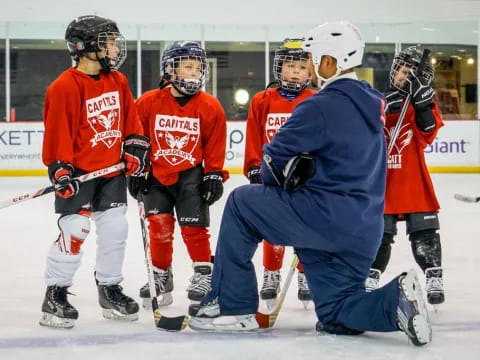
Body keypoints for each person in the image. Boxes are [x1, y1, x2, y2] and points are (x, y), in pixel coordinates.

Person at [189, 21, 432, 347]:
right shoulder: (373, 103)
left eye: (315, 58)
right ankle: (396, 302)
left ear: (331, 63)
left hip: (322, 216)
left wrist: (286, 184)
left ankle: (232, 308)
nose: (311, 67)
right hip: (363, 230)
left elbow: (272, 162)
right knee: (336, 312)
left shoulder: (319, 105)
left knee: (242, 203)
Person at [40, 15, 150, 329]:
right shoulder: (64, 87)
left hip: (111, 172)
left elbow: (131, 122)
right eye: (109, 41)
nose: (115, 48)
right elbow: (58, 132)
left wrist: (135, 146)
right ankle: (55, 293)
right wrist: (61, 170)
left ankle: (109, 289)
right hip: (80, 173)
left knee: (116, 229)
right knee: (75, 230)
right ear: (85, 46)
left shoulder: (118, 81)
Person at [129, 41, 229, 309]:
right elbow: (138, 139)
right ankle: (161, 275)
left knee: (194, 227)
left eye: (198, 67)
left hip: (191, 175)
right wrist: (137, 169)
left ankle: (203, 273)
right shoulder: (149, 101)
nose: (194, 72)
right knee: (159, 226)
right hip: (157, 176)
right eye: (187, 66)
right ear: (170, 70)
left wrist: (214, 174)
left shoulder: (210, 106)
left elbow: (215, 144)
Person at [365, 46, 445, 307]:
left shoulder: (424, 102)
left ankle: (433, 275)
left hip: (412, 181)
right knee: (379, 233)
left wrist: (421, 106)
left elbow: (428, 134)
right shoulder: (378, 100)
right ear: (394, 71)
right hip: (382, 183)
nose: (405, 76)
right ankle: (370, 275)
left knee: (425, 230)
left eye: (413, 73)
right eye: (402, 70)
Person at [243, 38, 316, 308]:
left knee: (306, 227)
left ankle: (305, 274)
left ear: (310, 72)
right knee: (273, 227)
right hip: (271, 173)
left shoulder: (315, 100)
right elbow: (254, 134)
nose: (295, 72)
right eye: (289, 66)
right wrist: (253, 165)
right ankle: (270, 274)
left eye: (301, 67)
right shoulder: (262, 100)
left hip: (305, 177)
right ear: (279, 68)